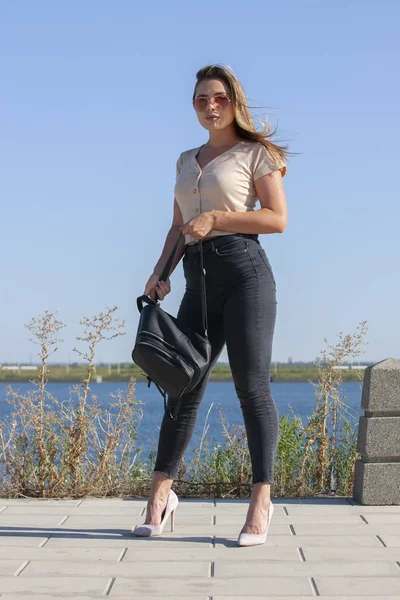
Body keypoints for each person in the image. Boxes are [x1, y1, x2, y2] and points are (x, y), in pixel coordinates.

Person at [132, 64, 288, 547]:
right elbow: (178, 225)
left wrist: (218, 216)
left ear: (234, 101)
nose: (210, 106)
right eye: (201, 99)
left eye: (218, 97)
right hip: (196, 278)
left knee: (252, 388)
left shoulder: (255, 154)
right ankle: (160, 496)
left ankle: (261, 501)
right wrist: (161, 273)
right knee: (181, 387)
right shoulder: (185, 159)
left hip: (245, 274)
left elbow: (277, 219)